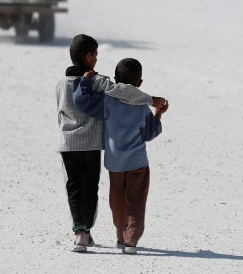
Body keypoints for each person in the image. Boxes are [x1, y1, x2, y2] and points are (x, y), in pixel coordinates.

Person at [56, 35, 167, 253]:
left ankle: (88, 232)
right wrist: (154, 107)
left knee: (91, 194)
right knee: (129, 199)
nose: (97, 59)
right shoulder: (119, 93)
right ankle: (130, 238)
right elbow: (148, 130)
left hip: (97, 156)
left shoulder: (67, 86)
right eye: (96, 55)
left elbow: (78, 105)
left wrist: (85, 86)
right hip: (123, 156)